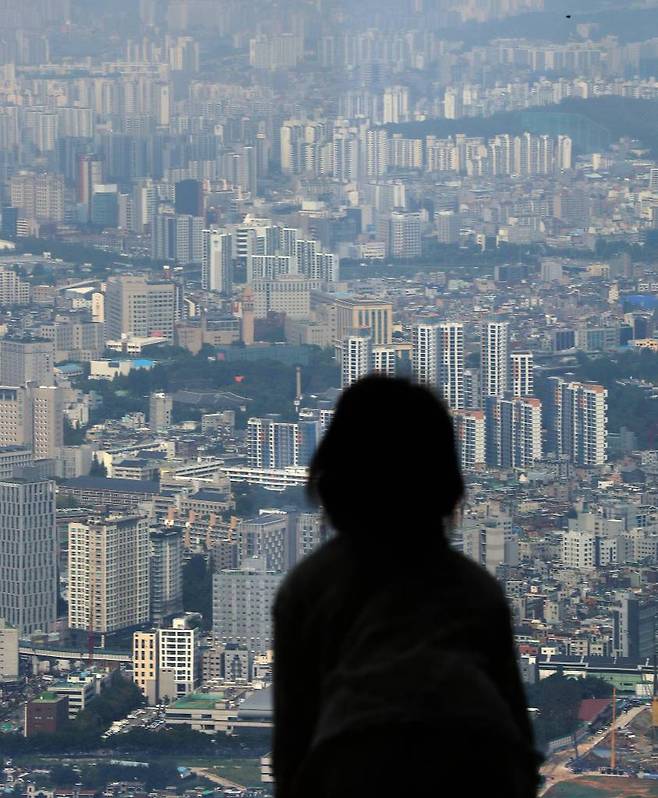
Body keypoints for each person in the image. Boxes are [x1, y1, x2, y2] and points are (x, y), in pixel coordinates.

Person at [272, 376, 540, 798]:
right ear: (447, 489)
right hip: (479, 750)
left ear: (330, 484)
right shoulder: (475, 588)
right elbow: (516, 724)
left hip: (357, 756)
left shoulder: (310, 586)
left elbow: (293, 737)